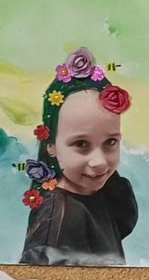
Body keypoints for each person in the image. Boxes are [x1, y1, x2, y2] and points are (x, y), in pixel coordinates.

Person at [20, 46, 136, 266]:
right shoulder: (58, 223)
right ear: (50, 146)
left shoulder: (103, 191)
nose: (99, 161)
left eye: (110, 142)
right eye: (81, 144)